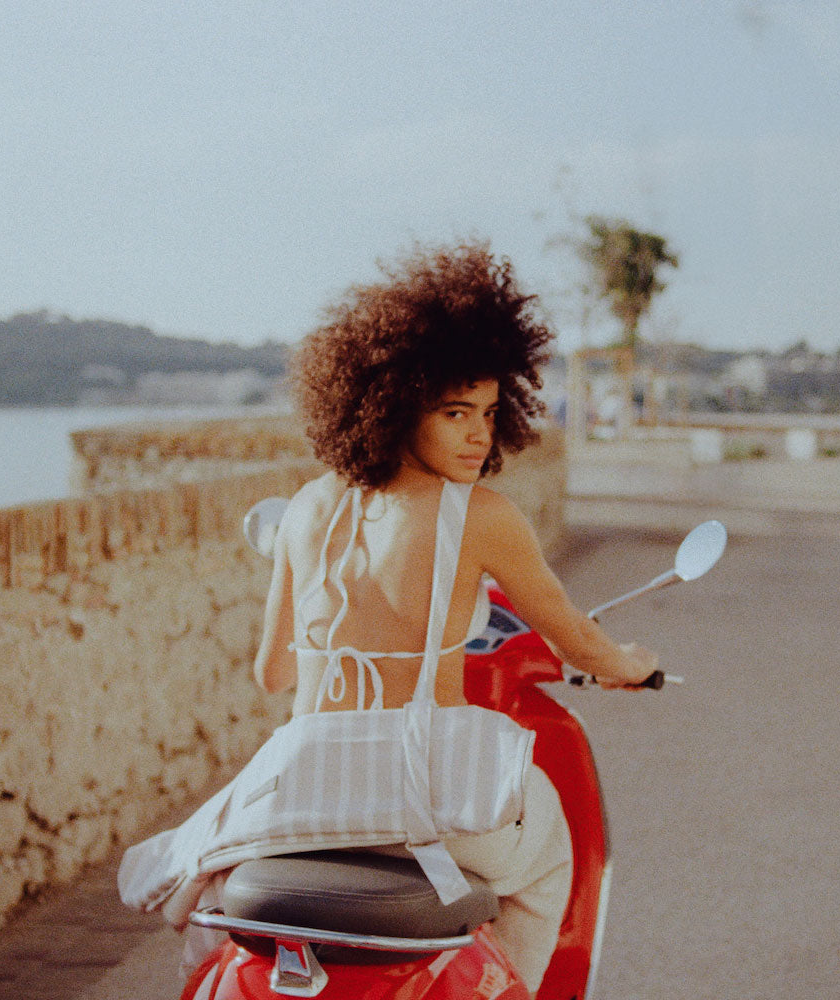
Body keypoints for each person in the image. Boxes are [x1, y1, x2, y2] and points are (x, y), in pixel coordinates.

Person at [252, 242, 658, 993]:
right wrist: (630, 663)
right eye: (454, 412)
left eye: (490, 413)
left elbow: (272, 673)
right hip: (421, 797)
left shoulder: (307, 509)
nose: (479, 434)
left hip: (304, 790)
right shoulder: (479, 517)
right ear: (396, 404)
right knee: (551, 865)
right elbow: (577, 637)